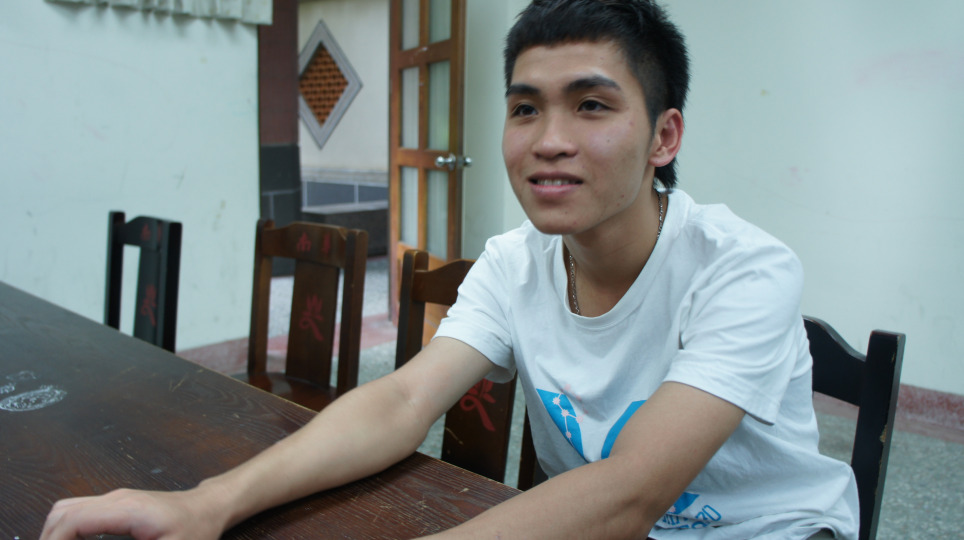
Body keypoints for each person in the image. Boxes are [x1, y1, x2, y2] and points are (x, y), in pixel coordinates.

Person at [41, 1, 858, 538]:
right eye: (526, 107)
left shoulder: (743, 270)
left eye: (592, 105)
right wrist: (207, 503)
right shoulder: (513, 262)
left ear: (664, 137)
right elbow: (401, 401)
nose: (549, 140)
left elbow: (632, 491)